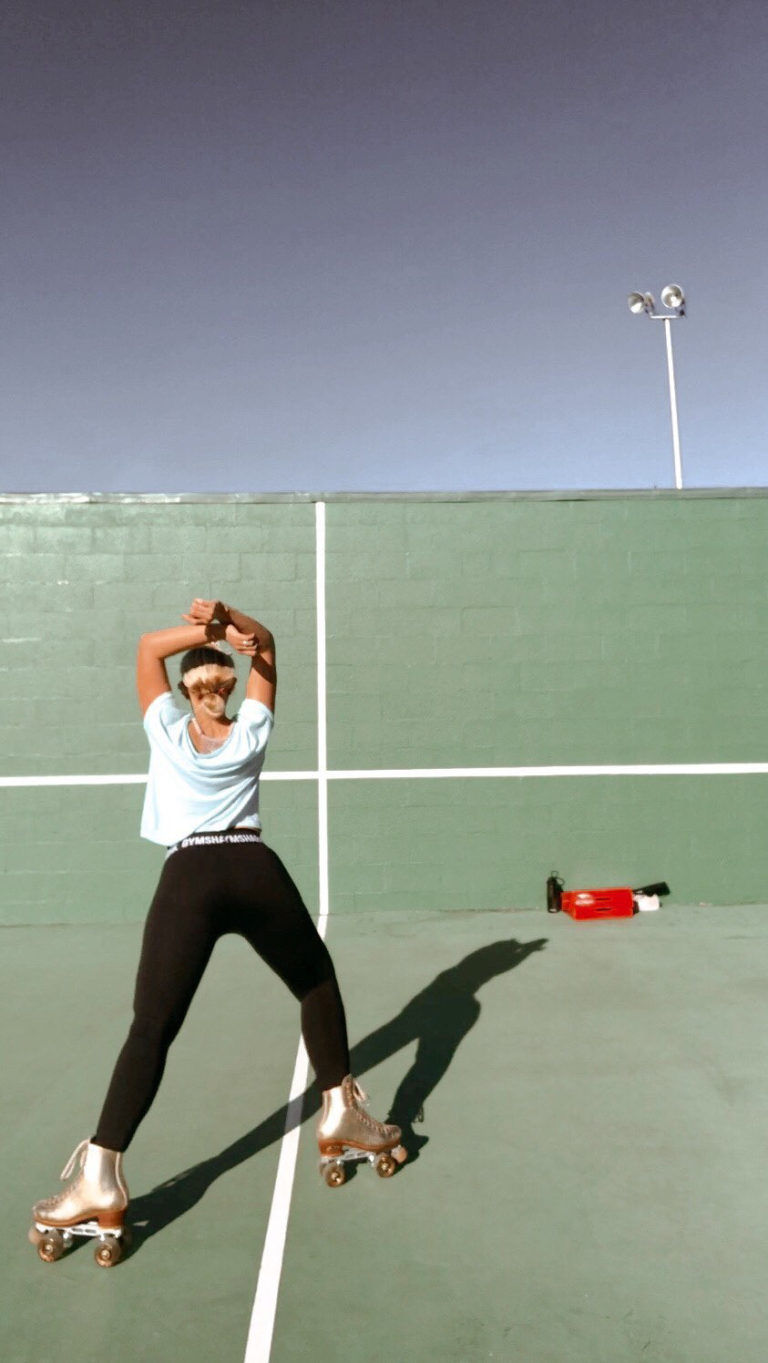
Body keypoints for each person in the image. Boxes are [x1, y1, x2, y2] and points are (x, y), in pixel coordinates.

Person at [30, 598, 404, 1265]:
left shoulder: (168, 728)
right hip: (253, 866)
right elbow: (270, 646)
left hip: (189, 878)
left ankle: (101, 1172)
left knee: (152, 1026)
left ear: (185, 689)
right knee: (315, 980)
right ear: (228, 685)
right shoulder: (252, 728)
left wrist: (205, 629)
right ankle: (341, 1108)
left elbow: (148, 647)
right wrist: (237, 624)